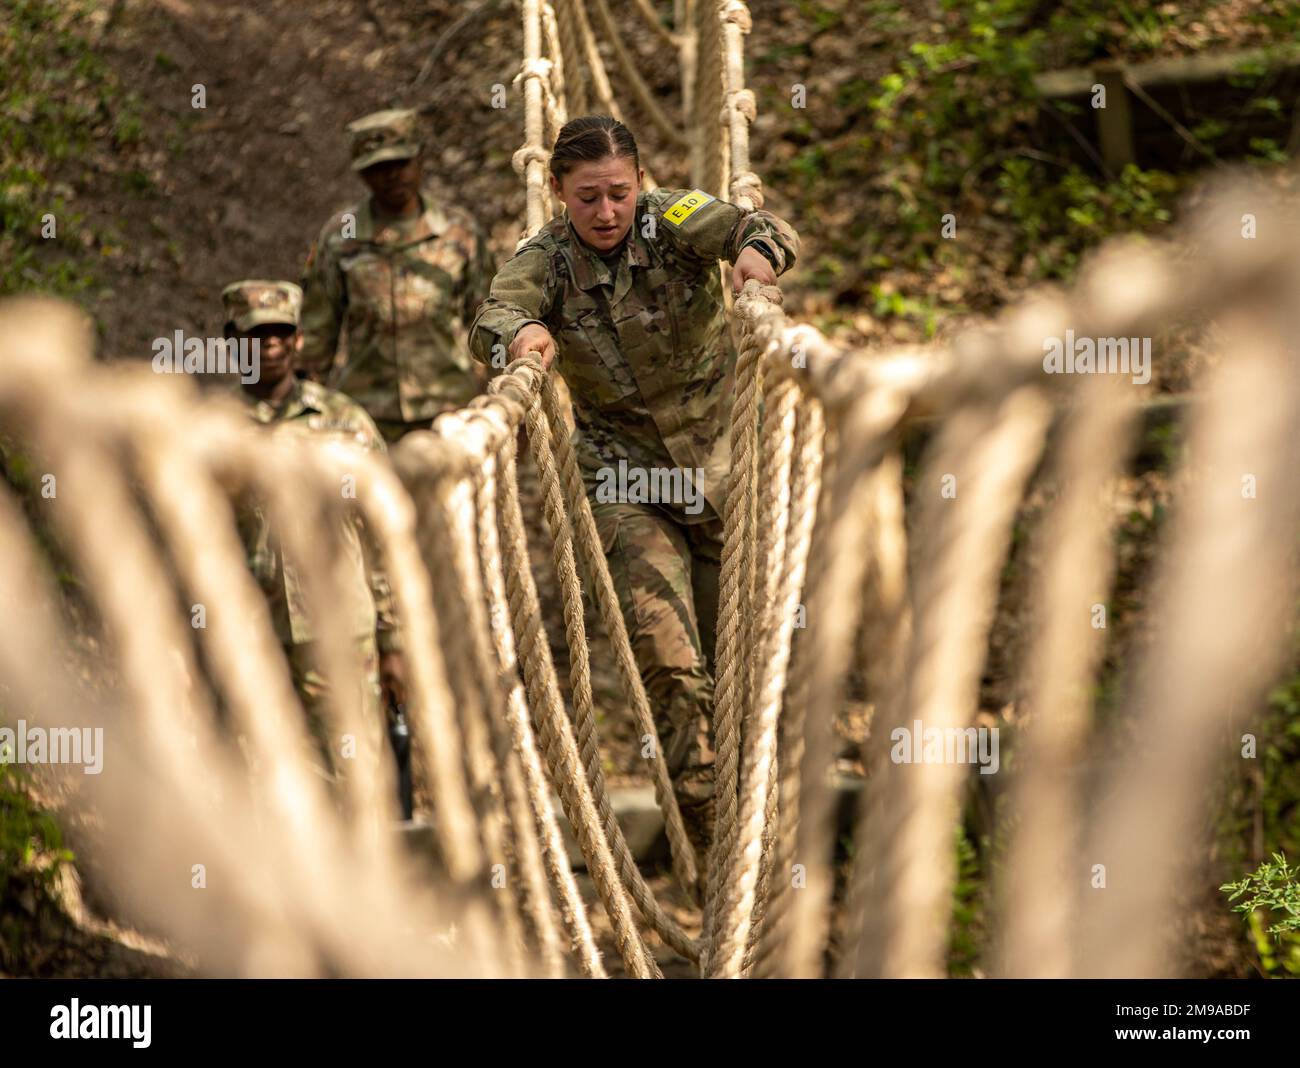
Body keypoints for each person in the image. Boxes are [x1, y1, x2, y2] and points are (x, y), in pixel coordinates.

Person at [468, 115, 799, 868]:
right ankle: (719, 861)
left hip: (724, 473)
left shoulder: (674, 219)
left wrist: (753, 256)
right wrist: (520, 340)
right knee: (672, 667)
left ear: (641, 183)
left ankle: (767, 848)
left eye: (619, 192)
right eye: (587, 198)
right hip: (626, 483)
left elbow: (760, 225)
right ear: (557, 194)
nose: (607, 212)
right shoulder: (545, 260)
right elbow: (492, 318)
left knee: (746, 670)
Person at [223, 279, 406, 796]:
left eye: (282, 334)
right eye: (256, 336)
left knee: (354, 778)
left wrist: (393, 640)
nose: (271, 346)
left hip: (340, 630)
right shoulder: (213, 429)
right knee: (260, 775)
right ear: (230, 339)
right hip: (251, 632)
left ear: (299, 339)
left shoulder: (345, 424)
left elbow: (381, 536)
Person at [299, 108, 496, 443]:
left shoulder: (459, 232)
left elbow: (490, 322)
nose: (392, 176)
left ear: (420, 159)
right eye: (378, 168)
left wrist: (500, 402)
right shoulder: (340, 237)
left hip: (448, 411)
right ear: (362, 174)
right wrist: (304, 413)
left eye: (400, 163)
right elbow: (317, 334)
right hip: (366, 417)